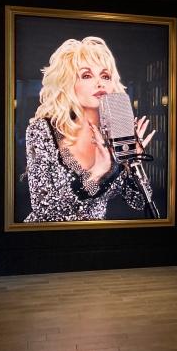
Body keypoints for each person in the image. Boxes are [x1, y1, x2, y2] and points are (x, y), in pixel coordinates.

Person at [23, 36, 155, 222]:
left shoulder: (119, 132)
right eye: (86, 75)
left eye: (105, 76)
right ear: (68, 84)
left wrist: (132, 162)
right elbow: (44, 209)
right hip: (44, 240)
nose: (99, 83)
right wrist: (97, 171)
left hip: (94, 239)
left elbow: (139, 202)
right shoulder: (42, 130)